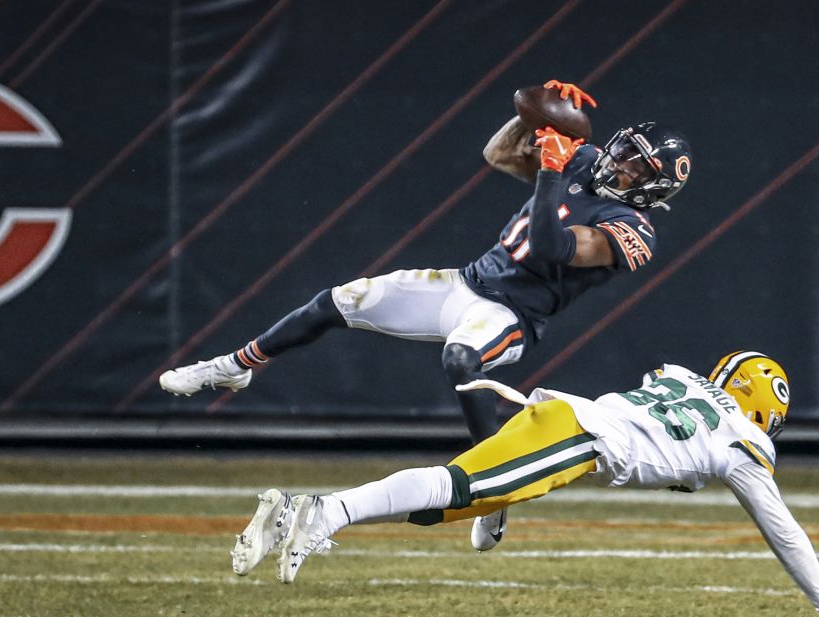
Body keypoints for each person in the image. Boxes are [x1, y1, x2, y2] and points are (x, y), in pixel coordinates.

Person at [159, 79, 693, 551]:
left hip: (511, 316)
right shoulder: (581, 159)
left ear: (652, 188)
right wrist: (536, 115)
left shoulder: (632, 228)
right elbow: (499, 153)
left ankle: (492, 489)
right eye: (625, 150)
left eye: (635, 167)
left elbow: (551, 246)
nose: (619, 163)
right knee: (341, 299)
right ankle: (237, 363)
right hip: (465, 282)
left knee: (461, 358)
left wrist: (551, 169)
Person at [229, 351, 819, 617]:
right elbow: (786, 533)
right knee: (455, 487)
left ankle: (311, 512)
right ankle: (319, 511)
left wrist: (501, 505)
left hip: (564, 422)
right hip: (577, 439)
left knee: (446, 503)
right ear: (766, 410)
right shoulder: (745, 443)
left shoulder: (685, 380)